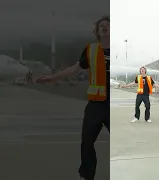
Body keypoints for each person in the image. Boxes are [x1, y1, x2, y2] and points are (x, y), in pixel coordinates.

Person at [36, 16, 110, 180]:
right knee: (87, 142)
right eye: (101, 26)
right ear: (97, 32)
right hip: (96, 105)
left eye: (108, 25)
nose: (104, 27)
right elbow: (74, 68)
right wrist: (52, 78)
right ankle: (86, 175)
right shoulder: (91, 50)